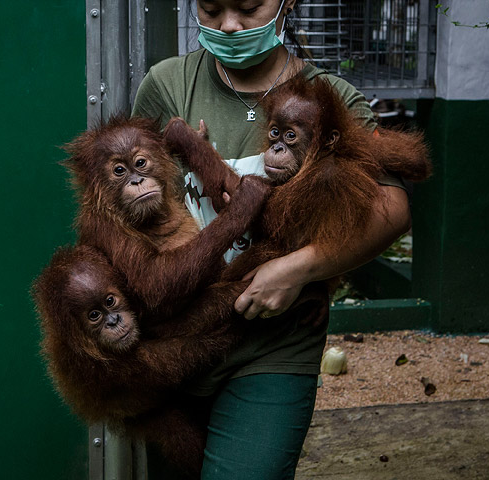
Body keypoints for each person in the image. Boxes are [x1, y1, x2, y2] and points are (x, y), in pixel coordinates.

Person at [132, 1, 411, 478]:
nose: (229, 26)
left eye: (247, 7)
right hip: (174, 338)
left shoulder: (329, 98)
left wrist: (302, 269)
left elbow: (392, 209)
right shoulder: (167, 84)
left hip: (272, 345)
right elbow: (123, 199)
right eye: (212, 8)